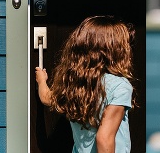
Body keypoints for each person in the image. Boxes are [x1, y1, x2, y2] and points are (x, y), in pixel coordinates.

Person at [35, 15, 135, 153]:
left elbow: (46, 98)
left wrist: (41, 80)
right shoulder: (120, 86)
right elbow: (104, 138)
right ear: (114, 50)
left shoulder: (75, 84)